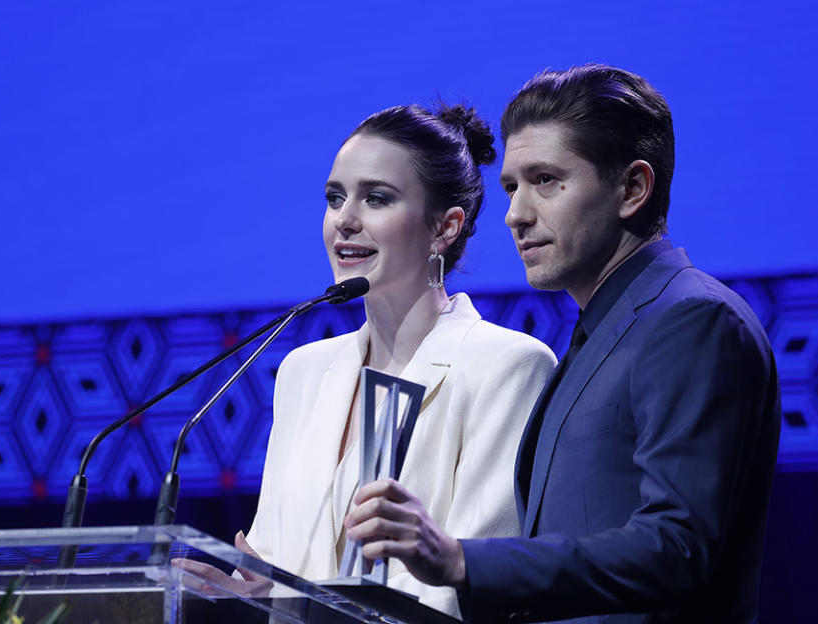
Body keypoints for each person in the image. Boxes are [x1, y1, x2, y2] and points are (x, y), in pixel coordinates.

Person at [344, 65, 781, 623]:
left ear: (633, 188)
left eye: (546, 180)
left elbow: (677, 548)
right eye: (510, 187)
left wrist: (459, 560)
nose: (515, 215)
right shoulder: (600, 330)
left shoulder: (692, 320)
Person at [176, 103, 556, 618]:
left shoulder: (508, 366)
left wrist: (285, 604)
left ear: (445, 227)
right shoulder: (304, 372)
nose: (345, 220)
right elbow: (266, 567)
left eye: (376, 198)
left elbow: (472, 586)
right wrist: (250, 597)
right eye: (335, 198)